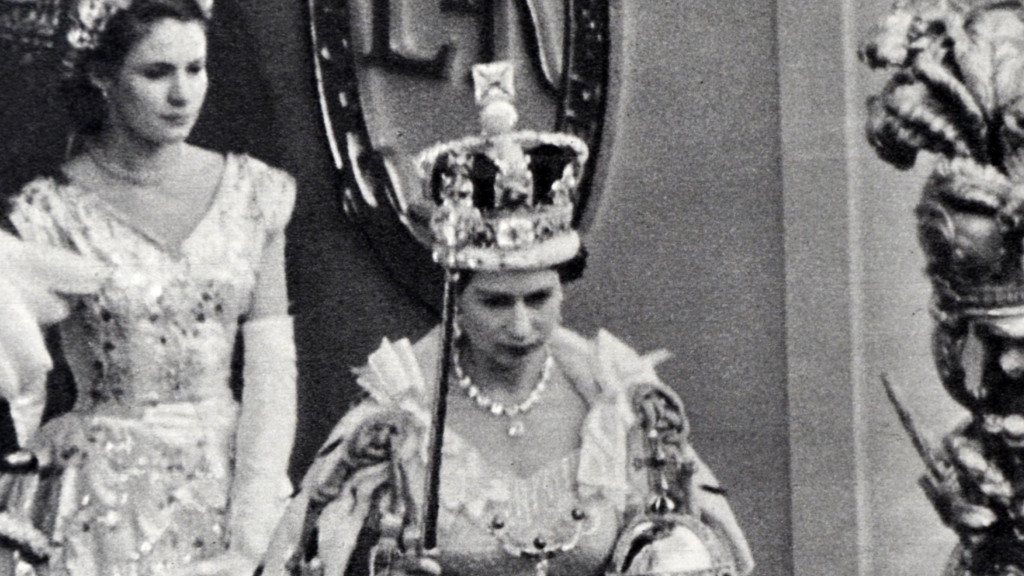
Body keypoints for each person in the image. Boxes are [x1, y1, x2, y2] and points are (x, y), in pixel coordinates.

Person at [259, 62, 753, 576]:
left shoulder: (619, 404)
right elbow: (304, 556)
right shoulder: (398, 417)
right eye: (495, 303)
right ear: (454, 297)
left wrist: (666, 551)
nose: (521, 327)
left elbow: (697, 538)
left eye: (538, 298)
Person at [0, 0, 297, 574]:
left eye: (196, 68)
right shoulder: (49, 212)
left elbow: (271, 372)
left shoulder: (253, 194)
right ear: (102, 77)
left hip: (232, 481)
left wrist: (253, 530)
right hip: (99, 503)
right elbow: (18, 382)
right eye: (157, 73)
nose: (183, 94)